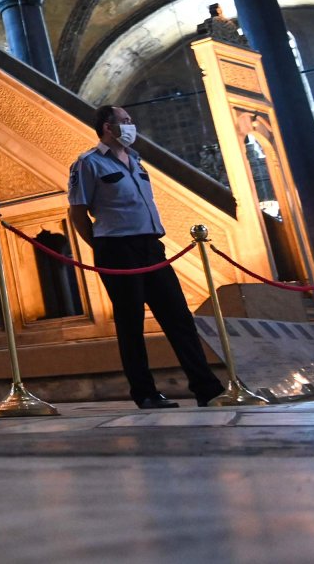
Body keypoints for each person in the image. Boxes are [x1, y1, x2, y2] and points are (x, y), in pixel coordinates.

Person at [69, 105, 224, 409]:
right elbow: (77, 211)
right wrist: (100, 249)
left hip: (152, 247)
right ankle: (145, 392)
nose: (131, 125)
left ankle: (206, 388)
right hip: (117, 249)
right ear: (107, 127)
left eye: (130, 121)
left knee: (178, 317)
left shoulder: (137, 160)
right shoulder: (88, 163)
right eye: (125, 121)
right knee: (131, 323)